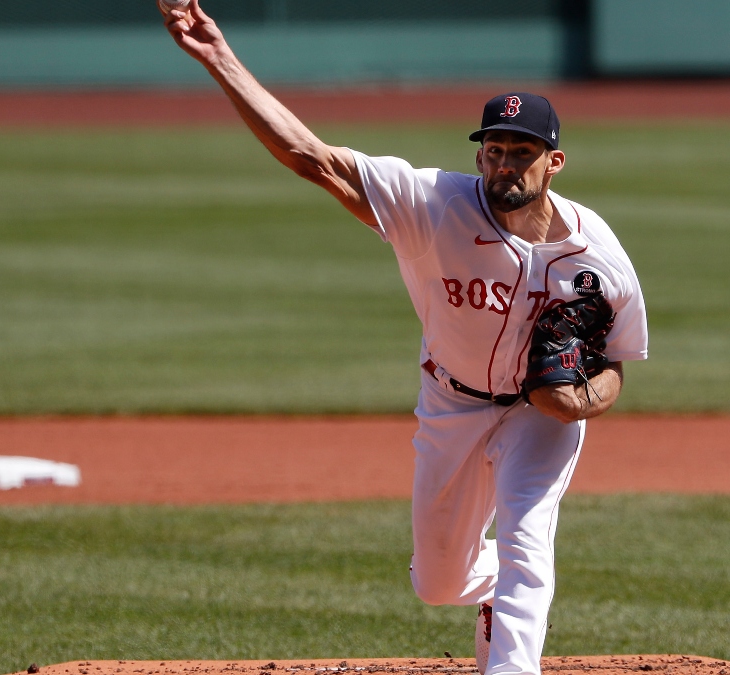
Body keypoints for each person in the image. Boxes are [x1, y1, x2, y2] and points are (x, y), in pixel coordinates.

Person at [162, 4, 648, 675]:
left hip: (538, 417)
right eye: (494, 149)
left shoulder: (599, 256)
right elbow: (313, 158)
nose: (504, 165)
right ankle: (493, 593)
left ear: (555, 161)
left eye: (522, 152)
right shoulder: (434, 205)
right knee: (438, 582)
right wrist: (219, 56)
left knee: (530, 535)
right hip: (451, 403)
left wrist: (584, 399)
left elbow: (619, 357)